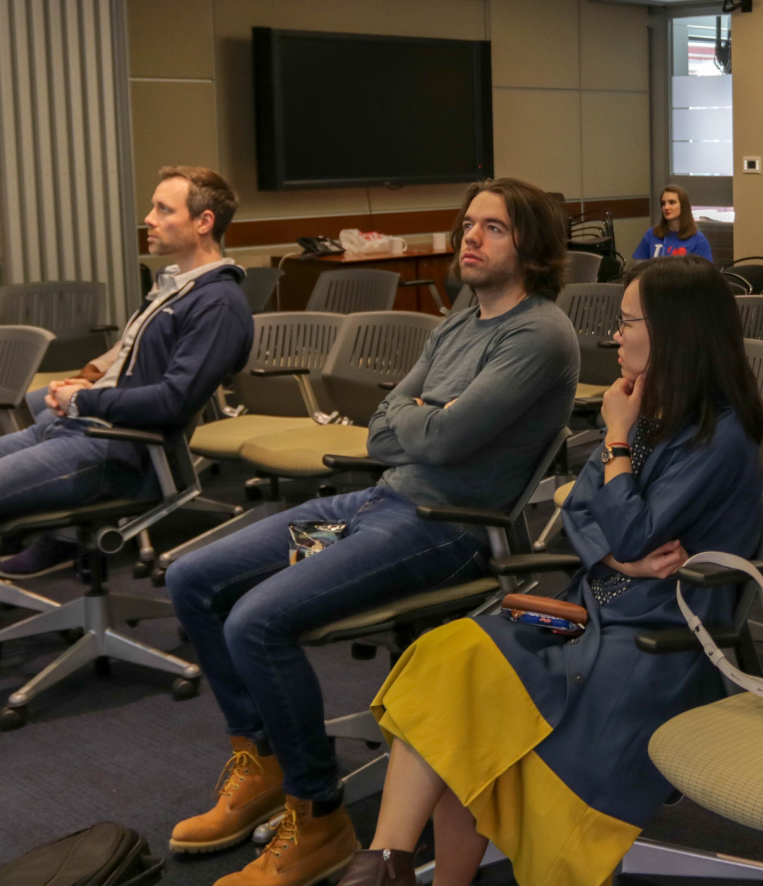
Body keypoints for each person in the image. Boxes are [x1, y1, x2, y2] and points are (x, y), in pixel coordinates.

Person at [165, 177, 579, 886]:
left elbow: (442, 440)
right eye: (468, 224)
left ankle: (318, 817)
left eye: (494, 228)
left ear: (532, 247)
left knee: (256, 623)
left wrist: (418, 417)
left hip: (444, 530)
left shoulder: (538, 334)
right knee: (194, 578)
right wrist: (423, 417)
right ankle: (262, 762)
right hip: (368, 510)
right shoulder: (459, 319)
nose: (470, 238)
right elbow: (381, 427)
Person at [338, 254, 763, 886]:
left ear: (674, 332)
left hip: (654, 641)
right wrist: (618, 556)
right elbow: (581, 512)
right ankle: (385, 863)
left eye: (627, 322)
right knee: (448, 659)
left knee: (476, 725)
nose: (615, 336)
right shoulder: (646, 409)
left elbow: (632, 529)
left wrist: (614, 442)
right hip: (585, 614)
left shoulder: (718, 436)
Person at [0, 167, 255, 761]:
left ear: (204, 222)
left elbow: (172, 403)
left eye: (163, 209)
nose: (148, 219)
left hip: (122, 452)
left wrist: (83, 400)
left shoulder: (219, 303)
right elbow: (134, 358)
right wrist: (88, 379)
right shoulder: (175, 286)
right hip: (79, 430)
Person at [633, 183, 712, 261]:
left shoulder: (698, 240)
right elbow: (638, 265)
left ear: (683, 206)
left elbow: (705, 269)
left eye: (672, 202)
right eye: (663, 203)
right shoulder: (651, 234)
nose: (666, 207)